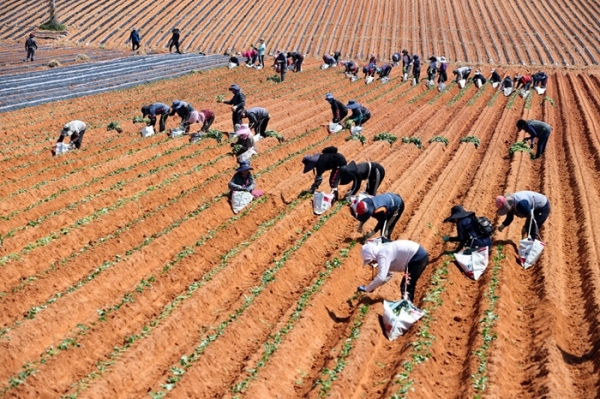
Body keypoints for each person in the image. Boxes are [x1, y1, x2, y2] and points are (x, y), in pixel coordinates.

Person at [358, 239, 429, 302]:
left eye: (370, 261)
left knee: (406, 286)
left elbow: (381, 277)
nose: (371, 263)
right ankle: (408, 307)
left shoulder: (383, 255)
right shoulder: (383, 251)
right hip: (417, 256)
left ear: (372, 255)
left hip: (418, 257)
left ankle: (407, 310)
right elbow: (389, 274)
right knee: (406, 285)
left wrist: (367, 288)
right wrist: (373, 286)